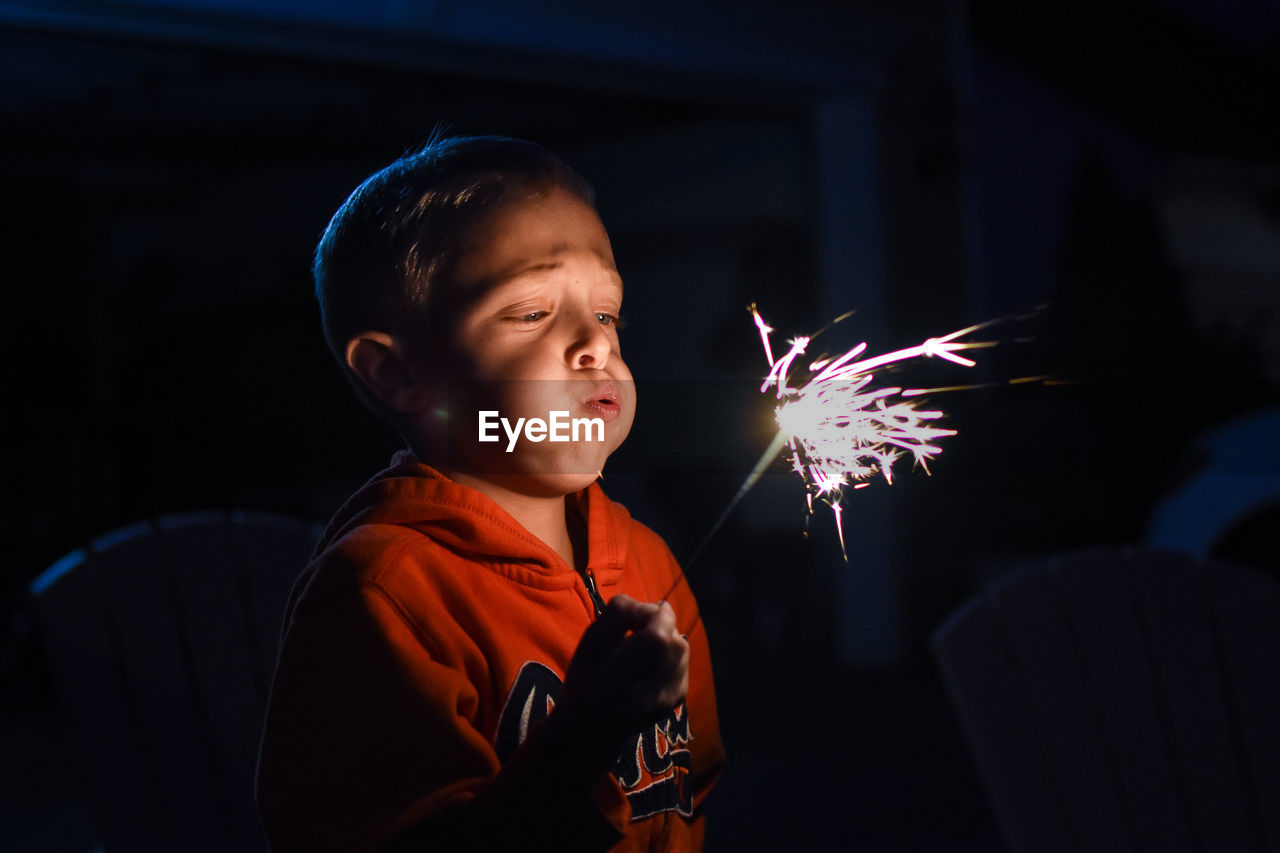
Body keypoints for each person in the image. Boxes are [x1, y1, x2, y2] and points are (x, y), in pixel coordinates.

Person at [255, 135, 725, 853]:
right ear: (395, 374)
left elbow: (689, 795)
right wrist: (582, 740)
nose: (594, 346)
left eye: (606, 313)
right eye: (531, 312)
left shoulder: (649, 563)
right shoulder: (387, 590)